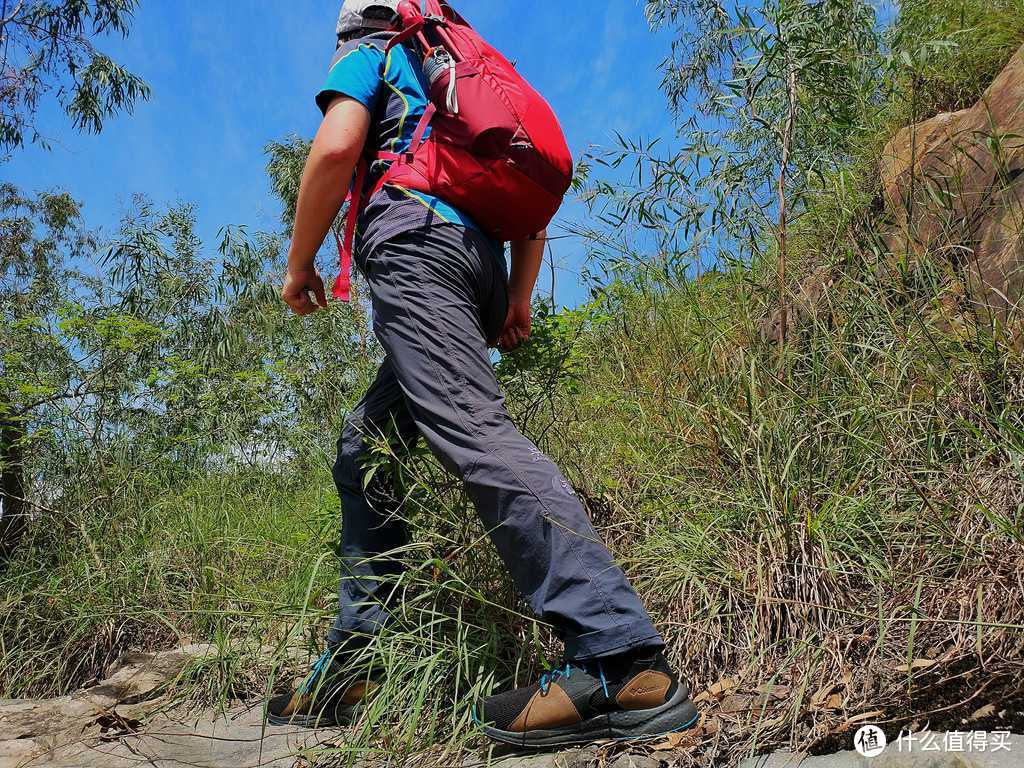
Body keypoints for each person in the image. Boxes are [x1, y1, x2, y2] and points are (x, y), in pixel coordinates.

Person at [267, 0, 697, 747]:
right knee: (364, 448)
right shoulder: (460, 65)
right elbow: (531, 209)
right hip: (477, 263)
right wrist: (517, 297)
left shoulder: (378, 45)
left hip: (415, 242)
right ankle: (360, 657)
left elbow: (338, 149)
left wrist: (301, 261)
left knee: (472, 431)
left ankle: (619, 658)